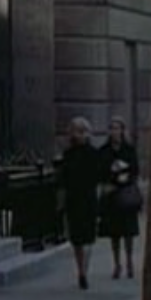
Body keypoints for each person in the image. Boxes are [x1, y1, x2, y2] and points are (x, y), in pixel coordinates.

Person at [97, 118, 141, 280]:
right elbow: (100, 171)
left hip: (126, 194)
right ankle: (117, 264)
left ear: (122, 131)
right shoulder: (104, 151)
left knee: (128, 231)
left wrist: (125, 176)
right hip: (111, 195)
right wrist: (111, 176)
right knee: (114, 233)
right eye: (112, 128)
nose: (115, 132)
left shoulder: (129, 150)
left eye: (117, 128)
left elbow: (135, 169)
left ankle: (129, 261)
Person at [60, 117, 101, 290]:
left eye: (83, 131)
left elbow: (98, 176)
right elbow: (63, 178)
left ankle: (85, 268)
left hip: (88, 198)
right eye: (77, 131)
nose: (80, 135)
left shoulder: (93, 153)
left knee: (89, 238)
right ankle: (81, 271)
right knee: (77, 239)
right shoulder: (68, 154)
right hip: (74, 199)